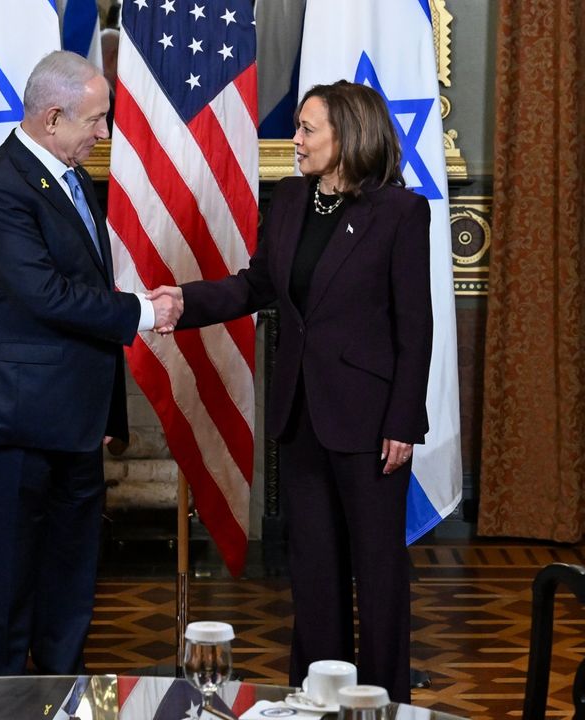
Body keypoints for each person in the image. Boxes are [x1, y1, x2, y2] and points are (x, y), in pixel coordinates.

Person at [150, 81, 433, 702]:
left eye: (307, 129)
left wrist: (403, 422)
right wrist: (184, 301)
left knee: (378, 575)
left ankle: (381, 705)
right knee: (314, 572)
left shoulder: (399, 213)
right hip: (301, 416)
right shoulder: (289, 198)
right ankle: (319, 699)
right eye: (298, 128)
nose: (295, 139)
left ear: (348, 136)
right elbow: (258, 285)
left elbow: (416, 328)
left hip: (369, 422)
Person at [0, 50, 176, 677]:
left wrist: (104, 413)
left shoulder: (73, 178)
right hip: (10, 429)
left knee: (69, 592)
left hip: (72, 428)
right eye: (96, 120)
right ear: (53, 118)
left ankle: (61, 703)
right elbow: (46, 294)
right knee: (1, 600)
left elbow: (82, 296)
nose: (103, 133)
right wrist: (142, 313)